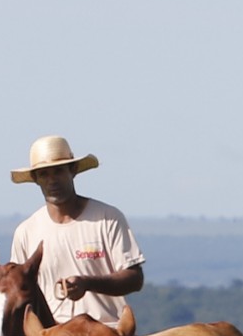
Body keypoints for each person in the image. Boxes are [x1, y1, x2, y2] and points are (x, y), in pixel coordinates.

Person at [8, 134, 145, 325]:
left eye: (58, 171)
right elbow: (17, 291)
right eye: (44, 174)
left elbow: (134, 278)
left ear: (72, 170)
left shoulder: (107, 217)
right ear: (35, 179)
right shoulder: (26, 232)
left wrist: (87, 283)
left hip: (107, 331)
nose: (51, 180)